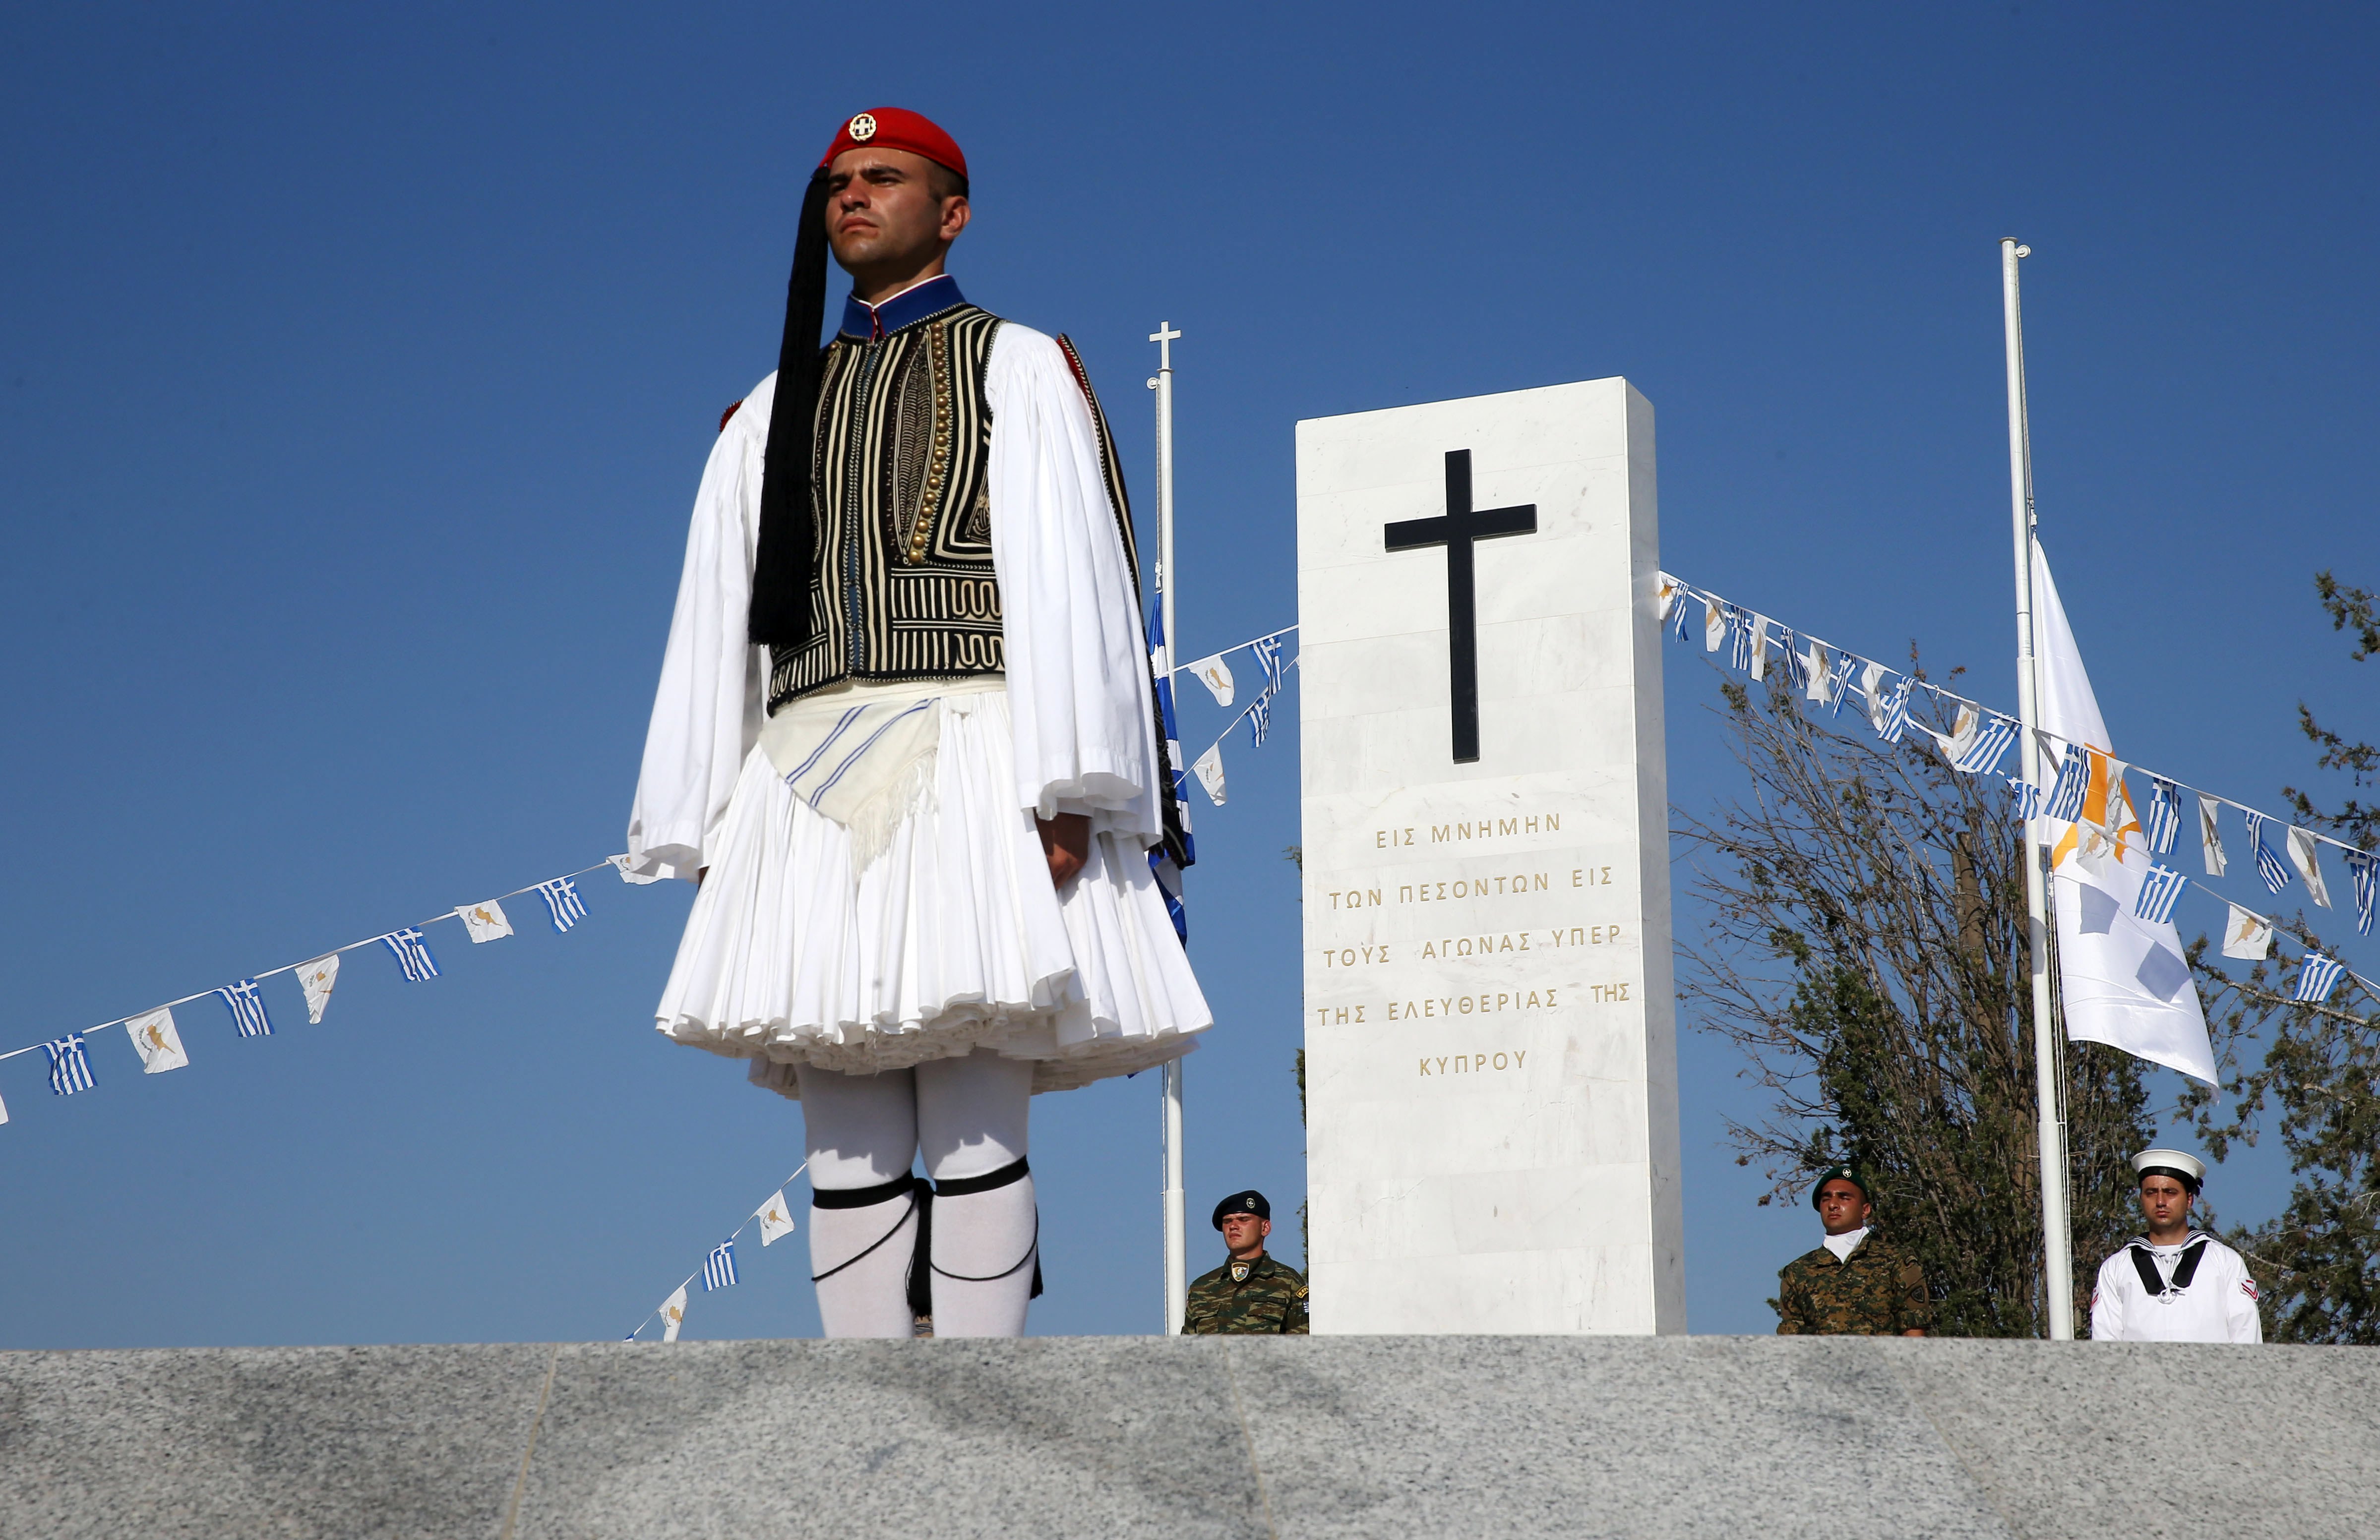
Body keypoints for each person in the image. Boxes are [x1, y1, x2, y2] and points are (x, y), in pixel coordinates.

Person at [625, 107, 1210, 1339]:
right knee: (844, 1125)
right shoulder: (767, 409)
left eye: (883, 179)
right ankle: (865, 1403)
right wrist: (705, 821)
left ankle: (981, 1390)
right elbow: (718, 626)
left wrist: (1074, 782)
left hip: (975, 754)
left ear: (951, 212)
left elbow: (1076, 579)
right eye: (838, 182)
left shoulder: (1019, 366)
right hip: (800, 775)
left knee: (973, 1104)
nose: (853, 197)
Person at [2090, 1148, 2261, 1343]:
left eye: (2170, 1193)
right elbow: (2105, 1347)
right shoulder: (2115, 1268)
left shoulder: (2226, 1262)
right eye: (2151, 1193)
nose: (2161, 1202)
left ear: (2189, 1200)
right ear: (2141, 1199)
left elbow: (2247, 1341)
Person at [1773, 1165, 1931, 1336]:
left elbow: (1914, 1337)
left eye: (1844, 1198)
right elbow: (1791, 1344)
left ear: (1865, 1210)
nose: (1833, 1204)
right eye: (1826, 1199)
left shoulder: (1896, 1262)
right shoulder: (1798, 1273)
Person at [1182, 1190, 1309, 1335]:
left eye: (1243, 1220)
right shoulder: (1202, 1288)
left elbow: (1302, 1347)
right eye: (1227, 1221)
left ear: (1265, 1228)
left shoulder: (1287, 1282)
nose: (1233, 1226)